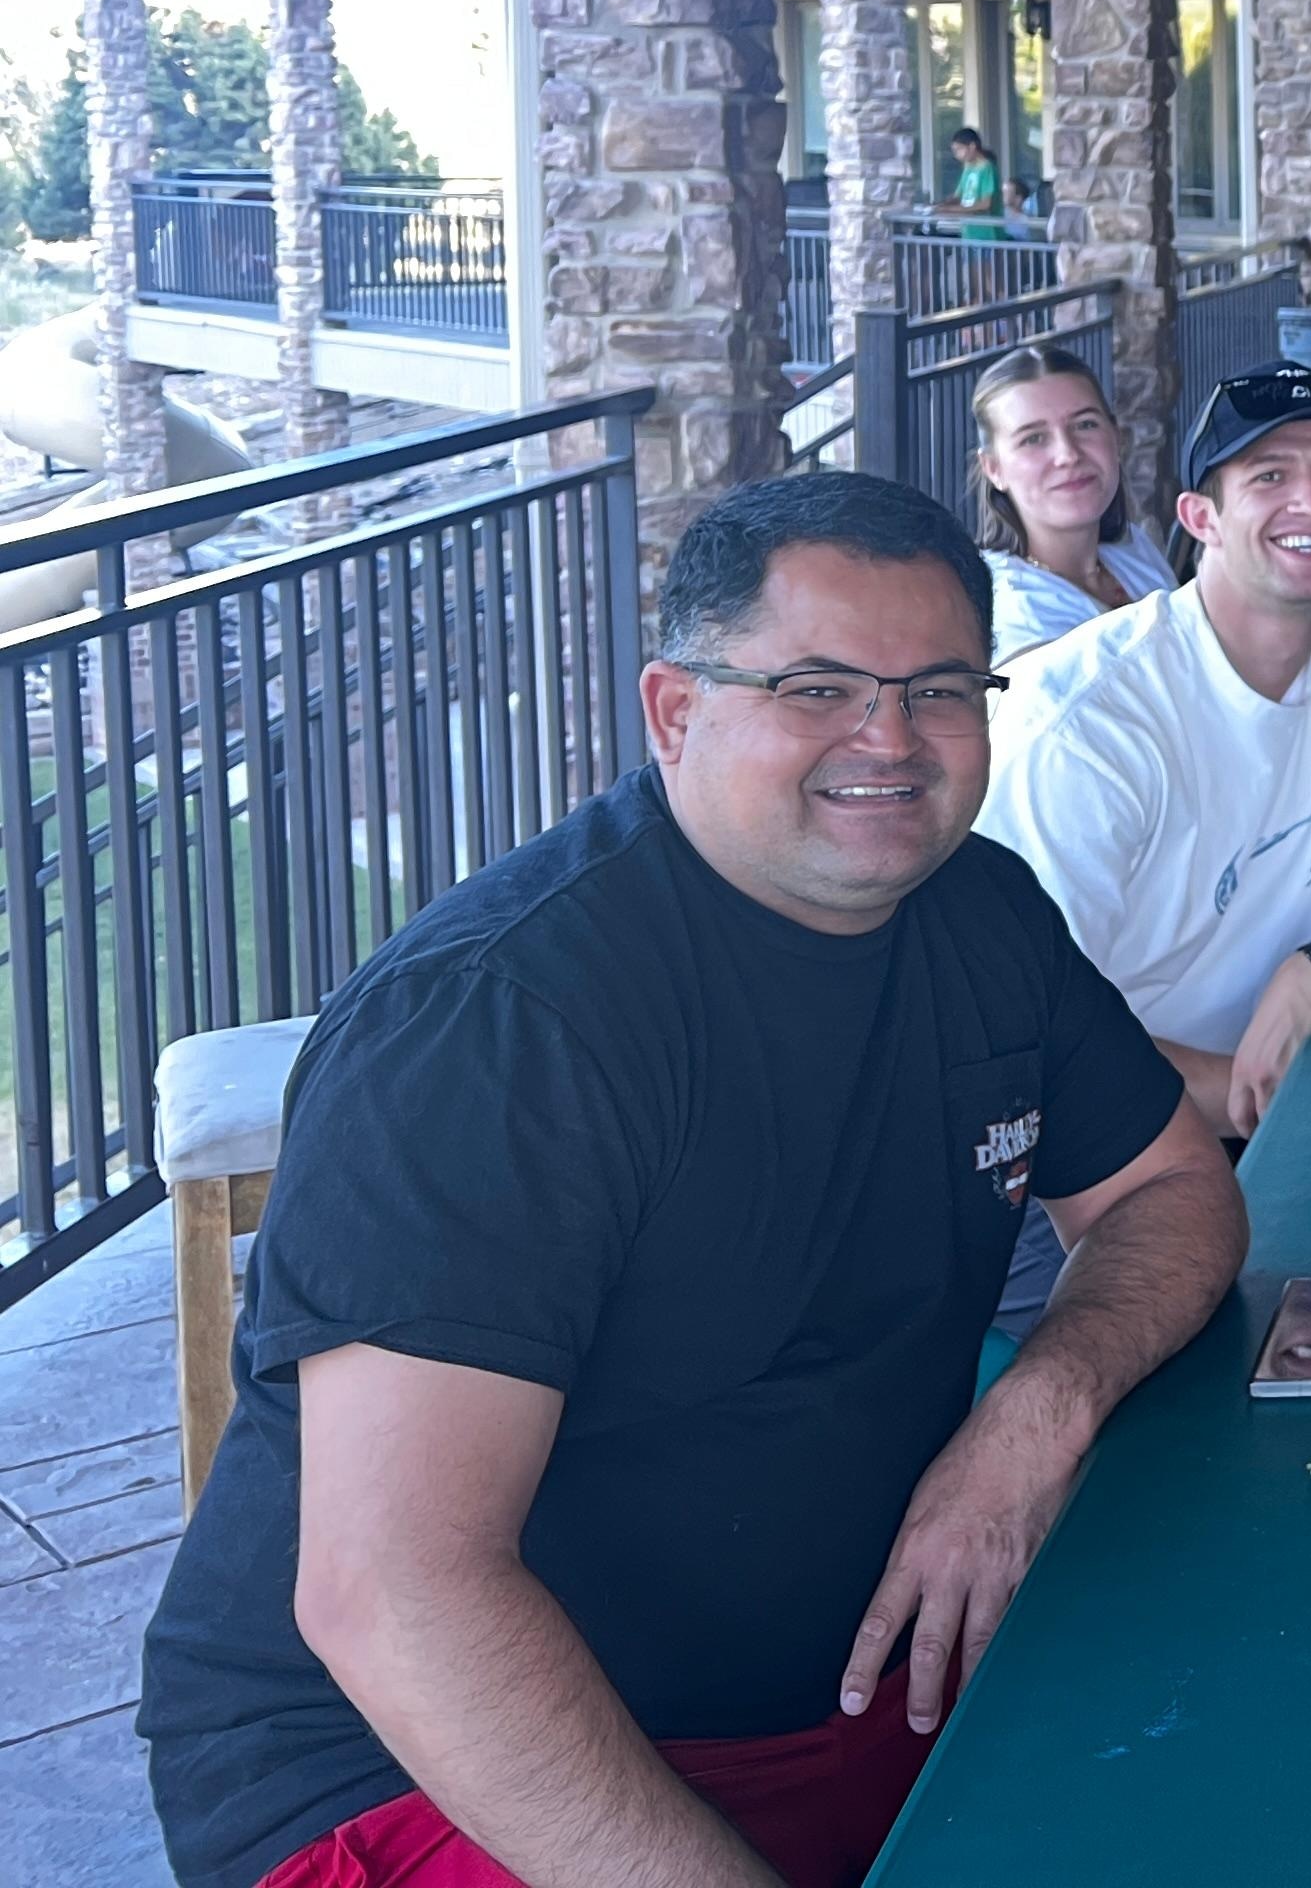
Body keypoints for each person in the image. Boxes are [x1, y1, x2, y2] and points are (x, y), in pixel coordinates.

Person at [136, 475, 1246, 1888]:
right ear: (674, 711)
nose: (890, 741)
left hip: (843, 1689)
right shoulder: (500, 1026)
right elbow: (395, 1593)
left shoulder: (979, 915)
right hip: (425, 1764)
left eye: (941, 691)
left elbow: (1172, 1192)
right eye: (820, 687)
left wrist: (1041, 1404)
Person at [979, 360, 1311, 1143]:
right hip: (1111, 1153)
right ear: (1202, 517)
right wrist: (1259, 1094)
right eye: (1270, 475)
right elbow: (1021, 1034)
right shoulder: (1084, 721)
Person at [970, 344, 1175, 660]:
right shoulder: (1011, 617)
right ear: (994, 469)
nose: (1068, 454)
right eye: (1033, 438)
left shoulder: (1134, 549)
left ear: (1116, 438)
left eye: (1085, 425)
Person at [939, 123, 1003, 241]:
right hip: (969, 232)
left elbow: (985, 204)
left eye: (959, 149)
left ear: (972, 146)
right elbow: (958, 196)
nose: (956, 155)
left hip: (987, 235)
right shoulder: (968, 167)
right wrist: (940, 206)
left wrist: (952, 210)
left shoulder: (986, 167)